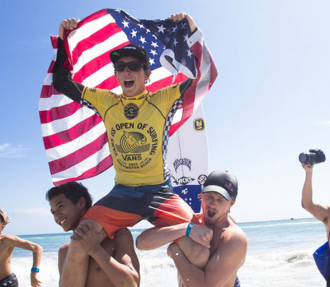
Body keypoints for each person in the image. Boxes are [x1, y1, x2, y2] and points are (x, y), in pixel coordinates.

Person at [52, 12, 212, 286]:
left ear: (146, 73)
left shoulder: (164, 98)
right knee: (80, 241)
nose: (127, 70)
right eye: (121, 66)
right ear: (116, 74)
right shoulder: (105, 101)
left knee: (199, 248)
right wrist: (64, 40)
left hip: (160, 193)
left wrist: (193, 28)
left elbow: (206, 74)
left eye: (134, 66)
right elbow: (62, 82)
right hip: (122, 194)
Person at [136, 170, 247, 287]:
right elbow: (141, 243)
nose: (213, 204)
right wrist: (185, 228)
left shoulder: (234, 237)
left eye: (220, 200)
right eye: (209, 196)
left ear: (232, 203)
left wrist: (174, 252)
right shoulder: (192, 223)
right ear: (201, 195)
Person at [46, 182, 140, 287]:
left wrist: (95, 250)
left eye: (60, 206)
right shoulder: (64, 251)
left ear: (80, 203)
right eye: (53, 212)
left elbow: (132, 284)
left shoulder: (118, 236)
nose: (57, 216)